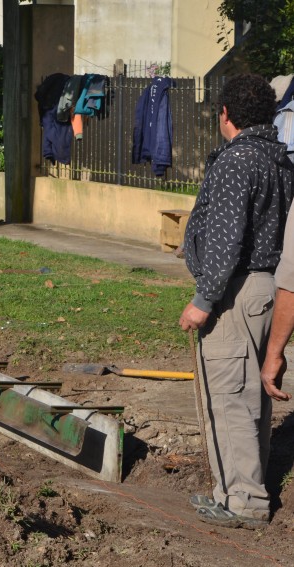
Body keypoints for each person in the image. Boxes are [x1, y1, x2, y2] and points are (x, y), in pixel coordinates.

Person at [178, 73, 294, 529]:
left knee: (227, 395)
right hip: (269, 289)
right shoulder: (281, 160)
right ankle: (245, 487)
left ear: (225, 114)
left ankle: (242, 500)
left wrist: (203, 300)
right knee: (252, 396)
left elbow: (225, 241)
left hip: (235, 292)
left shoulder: (236, 161)